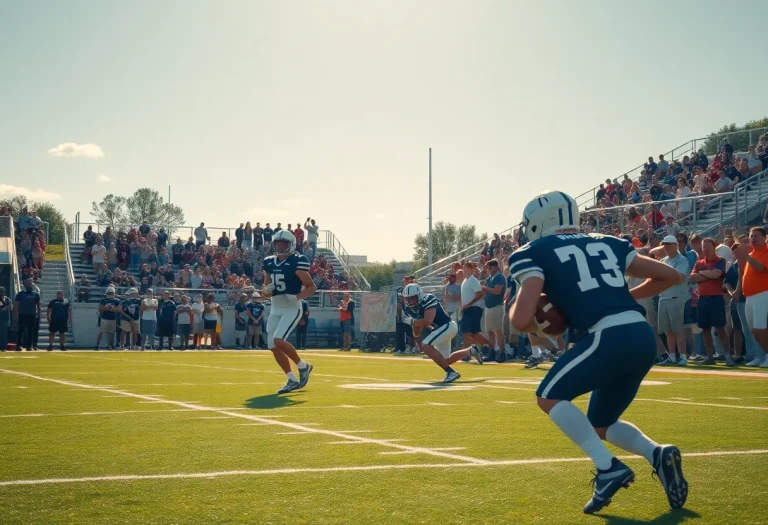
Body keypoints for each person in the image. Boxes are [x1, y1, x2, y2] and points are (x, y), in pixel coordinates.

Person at [508, 190, 687, 514]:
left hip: (608, 336)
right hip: (641, 335)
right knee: (601, 423)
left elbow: (521, 320)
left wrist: (521, 314)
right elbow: (672, 275)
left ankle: (607, 467)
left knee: (548, 396)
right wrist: (623, 299)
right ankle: (656, 453)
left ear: (536, 223)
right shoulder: (607, 241)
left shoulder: (533, 250)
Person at [262, 229, 317, 394]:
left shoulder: (297, 261)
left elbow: (311, 287)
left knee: (279, 339)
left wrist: (297, 297)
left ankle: (303, 366)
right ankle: (292, 379)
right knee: (272, 345)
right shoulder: (269, 262)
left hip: (291, 307)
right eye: (277, 243)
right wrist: (265, 291)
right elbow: (265, 286)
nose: (280, 246)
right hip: (275, 306)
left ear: (291, 244)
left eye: (283, 243)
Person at [402, 283, 482, 382]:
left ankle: (451, 372)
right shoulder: (409, 309)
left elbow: (428, 321)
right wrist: (417, 339)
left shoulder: (428, 299)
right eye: (407, 298)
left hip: (448, 326)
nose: (409, 301)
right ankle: (470, 351)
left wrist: (413, 322)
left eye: (412, 298)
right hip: (441, 330)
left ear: (419, 295)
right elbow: (417, 325)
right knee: (445, 360)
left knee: (426, 345)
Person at [690, 238, 734, 366]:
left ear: (714, 247)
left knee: (720, 328)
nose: (705, 248)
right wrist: (709, 274)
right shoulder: (699, 263)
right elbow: (693, 277)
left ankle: (728, 356)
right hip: (702, 298)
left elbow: (717, 275)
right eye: (704, 246)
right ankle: (710, 356)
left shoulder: (720, 260)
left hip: (716, 297)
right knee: (705, 329)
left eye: (707, 246)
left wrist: (703, 274)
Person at [656, 236, 691, 366]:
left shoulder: (682, 260)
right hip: (663, 296)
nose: (666, 247)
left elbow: (679, 278)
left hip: (676, 297)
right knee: (668, 331)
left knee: (678, 329)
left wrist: (665, 277)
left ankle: (683, 356)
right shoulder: (663, 261)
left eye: (669, 244)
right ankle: (672, 356)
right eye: (664, 244)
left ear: (675, 245)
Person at [736, 227, 768, 367]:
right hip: (749, 296)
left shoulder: (765, 252)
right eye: (751, 236)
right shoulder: (752, 253)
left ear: (764, 238)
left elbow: (761, 269)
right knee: (753, 330)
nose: (753, 239)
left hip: (762, 294)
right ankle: (760, 356)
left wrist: (746, 256)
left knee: (760, 329)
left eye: (756, 236)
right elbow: (743, 273)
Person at [460, 261, 492, 352]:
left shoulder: (473, 280)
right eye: (464, 268)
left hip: (474, 309)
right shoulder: (465, 281)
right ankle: (471, 351)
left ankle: (490, 346)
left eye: (467, 268)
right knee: (468, 332)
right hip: (467, 309)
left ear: (471, 269)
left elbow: (479, 294)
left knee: (471, 332)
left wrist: (468, 304)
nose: (465, 270)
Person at [482, 260, 507, 361]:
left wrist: (485, 288)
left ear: (496, 267)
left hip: (496, 306)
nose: (489, 269)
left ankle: (502, 352)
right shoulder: (489, 279)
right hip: (488, 307)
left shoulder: (500, 277)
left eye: (491, 267)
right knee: (489, 331)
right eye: (488, 267)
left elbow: (497, 291)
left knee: (498, 330)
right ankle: (491, 352)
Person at [14, 280, 41, 351]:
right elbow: (16, 305)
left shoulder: (36, 294)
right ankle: (19, 345)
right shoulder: (20, 294)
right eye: (28, 284)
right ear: (25, 286)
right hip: (22, 315)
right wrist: (16, 314)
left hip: (32, 315)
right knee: (20, 331)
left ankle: (30, 346)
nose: (29, 286)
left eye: (31, 284)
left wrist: (38, 314)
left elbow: (38, 305)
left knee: (31, 331)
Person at [0, 287, 12, 351]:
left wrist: (3, 308)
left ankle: (3, 347)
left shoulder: (7, 299)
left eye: (2, 291)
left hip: (4, 318)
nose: (1, 293)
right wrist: (3, 309)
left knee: (4, 334)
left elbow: (9, 307)